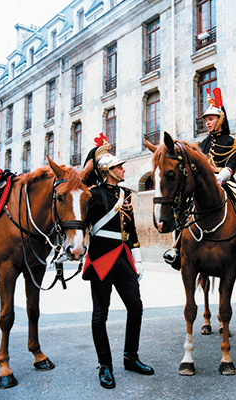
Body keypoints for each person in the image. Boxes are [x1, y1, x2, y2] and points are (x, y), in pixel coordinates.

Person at [163, 87, 236, 274]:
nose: (207, 123)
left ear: (220, 119)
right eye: (206, 119)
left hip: (224, 180)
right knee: (186, 206)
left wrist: (221, 176)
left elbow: (232, 165)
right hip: (204, 183)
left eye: (210, 119)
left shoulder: (232, 142)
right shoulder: (201, 145)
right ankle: (176, 247)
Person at [82, 133, 154, 390]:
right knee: (100, 314)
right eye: (120, 167)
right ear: (108, 171)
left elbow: (131, 230)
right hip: (101, 259)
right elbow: (83, 225)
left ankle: (130, 357)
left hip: (123, 259)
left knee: (136, 307)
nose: (124, 169)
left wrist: (139, 258)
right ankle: (105, 366)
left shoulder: (126, 195)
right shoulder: (91, 194)